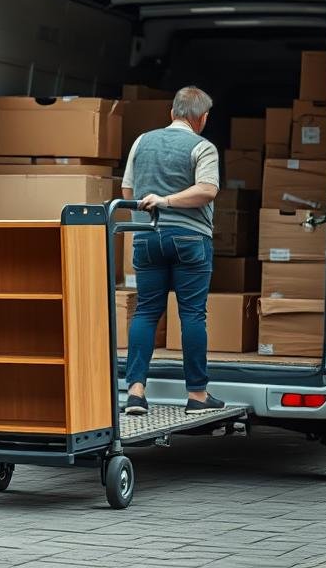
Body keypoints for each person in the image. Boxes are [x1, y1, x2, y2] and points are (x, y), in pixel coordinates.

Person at [121, 86, 226, 416]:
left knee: (146, 312)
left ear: (172, 112)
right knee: (192, 314)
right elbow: (207, 190)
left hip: (146, 237)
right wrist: (168, 201)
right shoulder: (203, 147)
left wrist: (152, 208)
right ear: (203, 118)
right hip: (189, 238)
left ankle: (135, 392)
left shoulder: (142, 141)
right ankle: (197, 395)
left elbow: (128, 189)